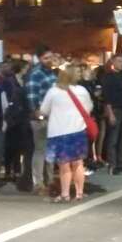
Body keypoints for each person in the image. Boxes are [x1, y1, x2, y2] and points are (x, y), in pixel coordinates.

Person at [40, 66, 93, 202]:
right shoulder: (82, 91)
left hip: (59, 131)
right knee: (78, 163)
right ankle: (79, 193)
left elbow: (44, 110)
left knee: (64, 165)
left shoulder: (53, 91)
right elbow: (88, 109)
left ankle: (65, 194)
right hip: (78, 130)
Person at [24, 45, 58, 192]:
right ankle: (38, 182)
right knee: (40, 150)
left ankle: (50, 179)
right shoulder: (36, 74)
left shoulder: (51, 73)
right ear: (39, 58)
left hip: (53, 115)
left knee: (50, 150)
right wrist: (38, 114)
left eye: (50, 57)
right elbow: (32, 96)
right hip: (41, 117)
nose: (49, 60)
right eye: (46, 58)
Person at [102, 55, 122, 175]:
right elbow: (107, 97)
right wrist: (110, 113)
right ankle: (112, 164)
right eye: (119, 61)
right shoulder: (108, 77)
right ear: (113, 62)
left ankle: (121, 162)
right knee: (113, 138)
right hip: (115, 109)